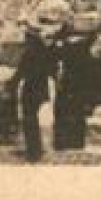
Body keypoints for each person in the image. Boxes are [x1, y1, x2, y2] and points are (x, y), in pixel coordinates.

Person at [6, 17, 60, 162]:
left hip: (31, 88)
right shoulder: (47, 51)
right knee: (35, 119)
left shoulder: (29, 53)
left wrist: (11, 84)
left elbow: (21, 72)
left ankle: (33, 151)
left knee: (29, 120)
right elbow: (53, 70)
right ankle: (37, 150)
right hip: (42, 88)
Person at [51, 32, 96, 152]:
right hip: (74, 87)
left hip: (68, 87)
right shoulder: (81, 52)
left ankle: (64, 141)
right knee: (74, 112)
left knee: (66, 112)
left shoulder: (66, 50)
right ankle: (74, 141)